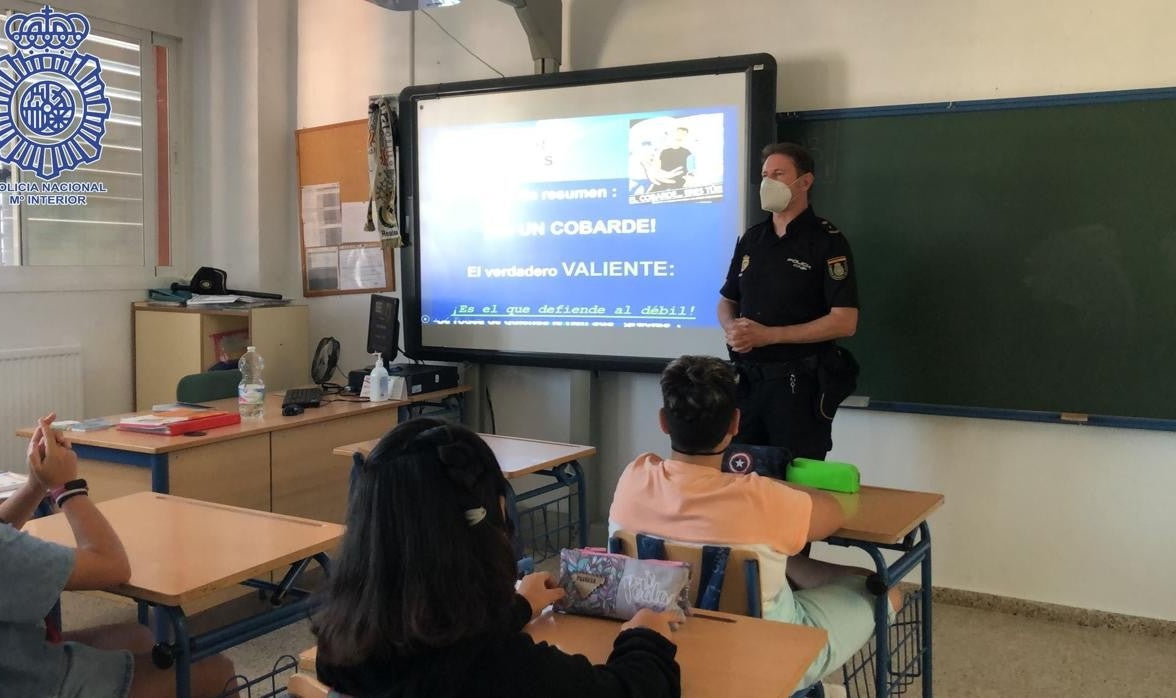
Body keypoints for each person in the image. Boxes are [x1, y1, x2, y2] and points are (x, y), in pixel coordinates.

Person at [312, 417, 681, 698]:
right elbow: (628, 690)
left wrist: (519, 607)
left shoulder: (343, 649)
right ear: (492, 522)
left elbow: (441, 649)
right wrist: (644, 638)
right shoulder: (504, 671)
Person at [0, 374, 235, 698]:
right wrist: (67, 488)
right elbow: (112, 565)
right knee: (218, 671)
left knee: (139, 636)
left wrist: (37, 484)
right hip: (31, 684)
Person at [608, 356, 899, 690]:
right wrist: (773, 483)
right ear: (735, 424)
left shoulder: (633, 478)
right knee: (884, 589)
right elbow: (832, 514)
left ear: (663, 421)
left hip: (656, 638)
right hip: (767, 649)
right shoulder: (762, 499)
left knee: (779, 558)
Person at [718, 142, 859, 460]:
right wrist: (732, 328)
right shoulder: (752, 239)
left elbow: (845, 320)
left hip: (799, 388)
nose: (768, 182)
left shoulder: (827, 241)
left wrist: (771, 335)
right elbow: (727, 300)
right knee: (741, 478)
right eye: (765, 174)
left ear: (804, 182)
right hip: (747, 384)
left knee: (796, 485)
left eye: (779, 174)